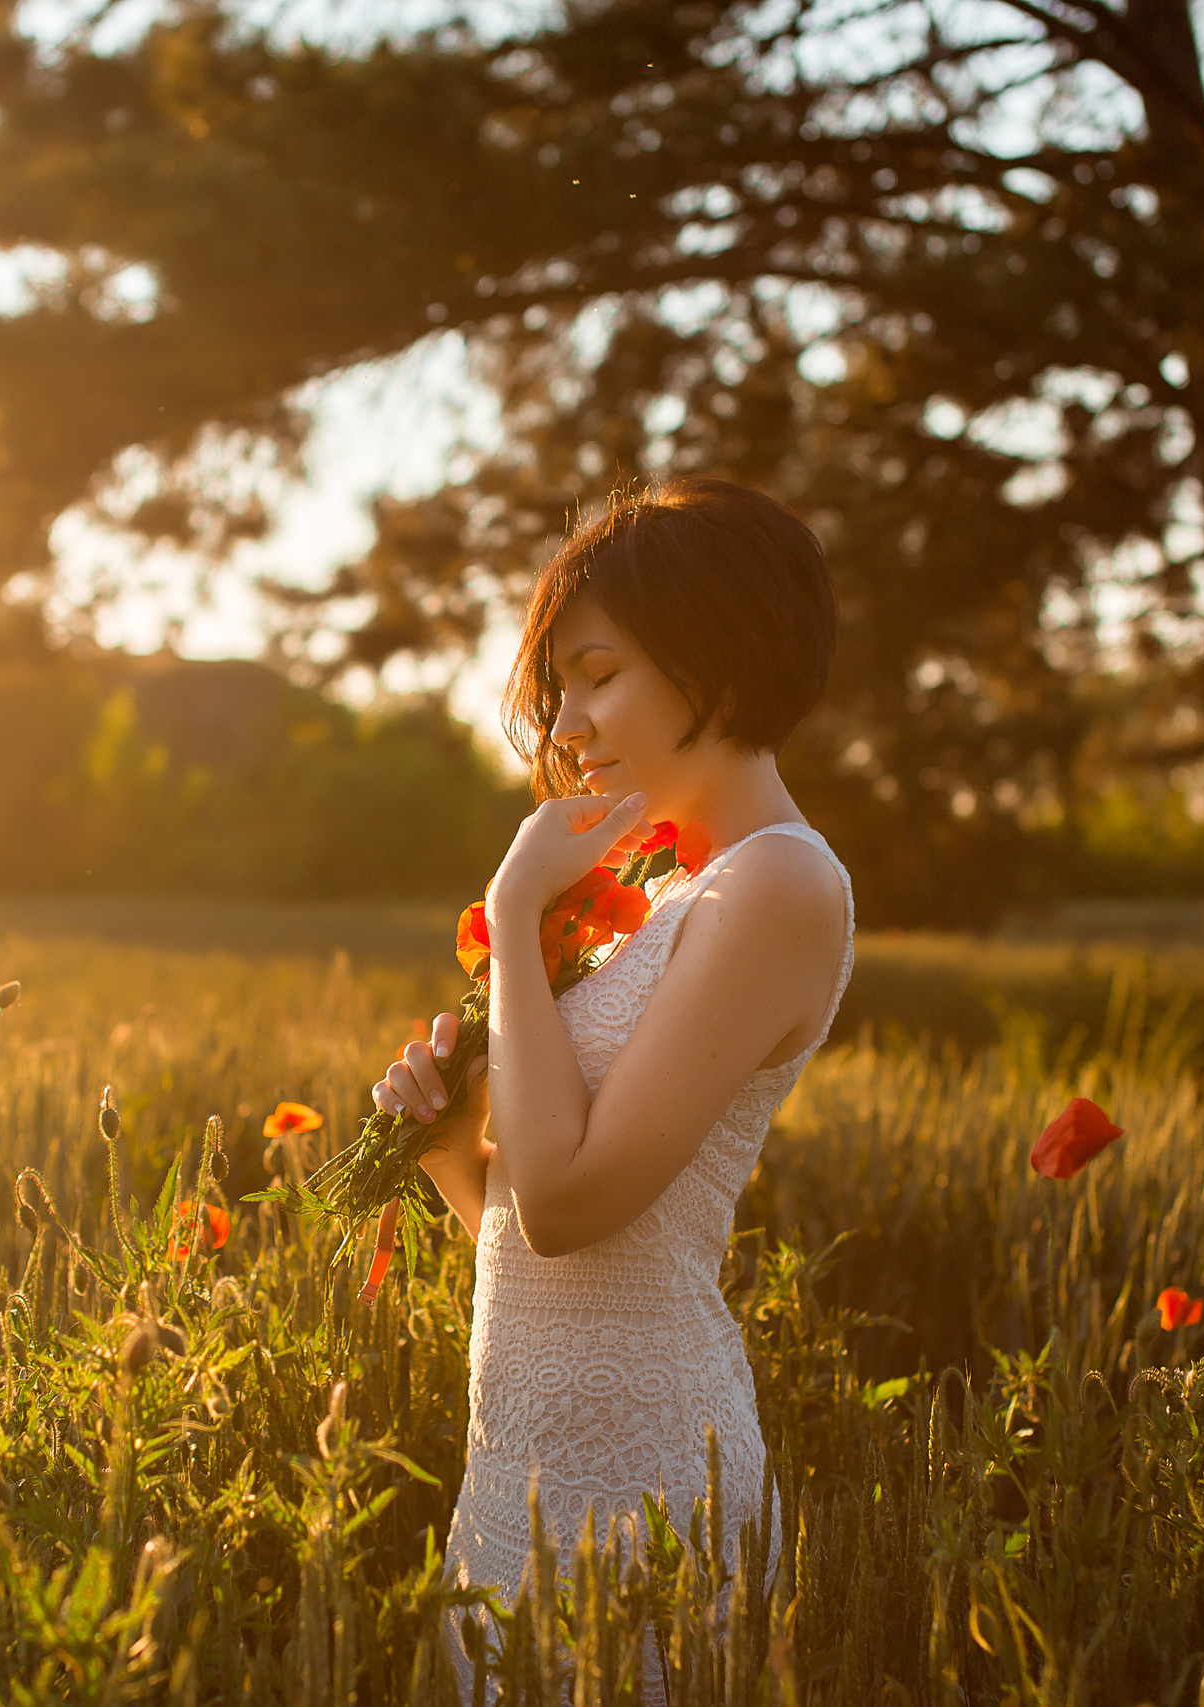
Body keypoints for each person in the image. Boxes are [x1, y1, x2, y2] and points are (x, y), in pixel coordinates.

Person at [369, 475, 855, 1705]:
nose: (570, 722)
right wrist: (443, 1150)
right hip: (518, 1450)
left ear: (718, 655)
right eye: (563, 687)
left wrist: (521, 901)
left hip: (644, 1477)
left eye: (598, 674)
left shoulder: (777, 889)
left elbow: (569, 1204)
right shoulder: (668, 894)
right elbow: (538, 1242)